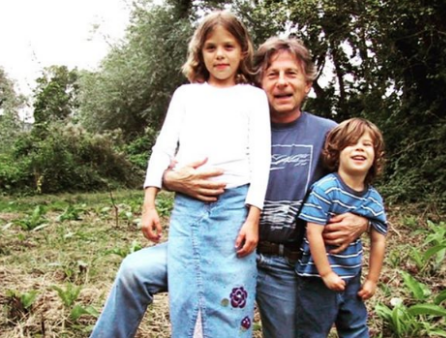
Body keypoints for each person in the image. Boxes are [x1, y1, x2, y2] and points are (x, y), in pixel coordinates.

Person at [90, 36, 368, 338]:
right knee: (135, 271)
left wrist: (362, 219)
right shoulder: (230, 119)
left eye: (291, 74)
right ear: (257, 81)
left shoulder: (328, 133)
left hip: (281, 262)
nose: (281, 83)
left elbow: (358, 184)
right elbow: (173, 156)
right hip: (219, 244)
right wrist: (171, 179)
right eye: (272, 74)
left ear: (308, 84)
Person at [141, 10, 270, 337]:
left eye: (228, 46)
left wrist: (252, 218)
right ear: (200, 53)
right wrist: (150, 202)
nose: (220, 55)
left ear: (242, 50)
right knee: (188, 294)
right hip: (188, 210)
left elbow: (261, 160)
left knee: (231, 296)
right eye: (211, 47)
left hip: (234, 209)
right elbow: (163, 148)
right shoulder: (186, 95)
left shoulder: (253, 98)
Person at [294, 118, 388, 338]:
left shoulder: (373, 198)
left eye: (366, 144)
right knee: (312, 332)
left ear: (375, 156)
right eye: (351, 143)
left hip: (352, 278)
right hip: (316, 280)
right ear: (336, 153)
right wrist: (326, 273)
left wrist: (372, 279)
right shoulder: (325, 189)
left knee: (356, 330)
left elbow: (378, 239)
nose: (359, 148)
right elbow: (313, 231)